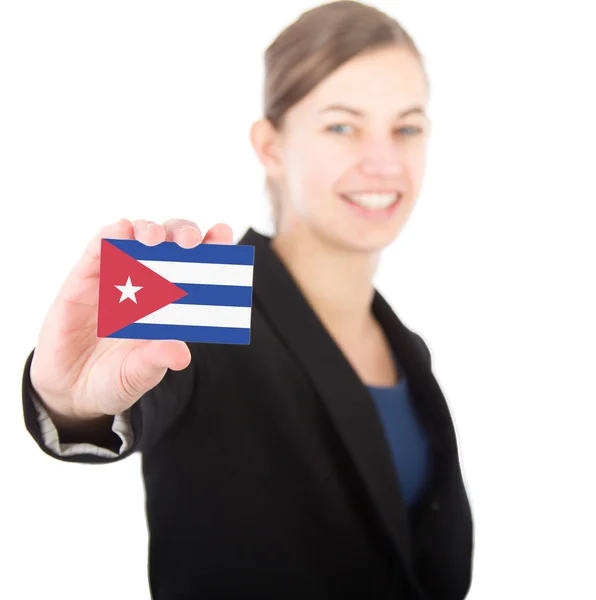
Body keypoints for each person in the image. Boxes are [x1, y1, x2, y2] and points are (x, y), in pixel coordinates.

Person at [21, 1, 474, 598]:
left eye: (406, 127)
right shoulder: (202, 298)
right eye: (343, 125)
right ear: (271, 147)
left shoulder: (409, 349)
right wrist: (67, 402)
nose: (384, 161)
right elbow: (114, 396)